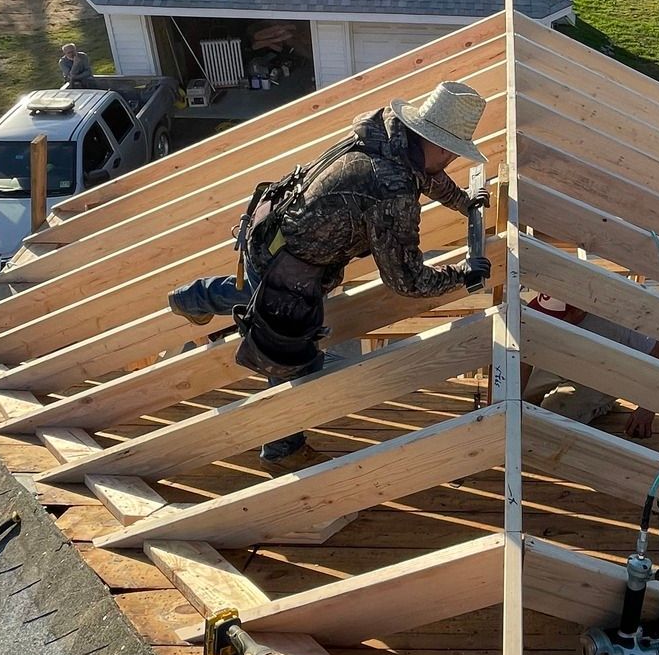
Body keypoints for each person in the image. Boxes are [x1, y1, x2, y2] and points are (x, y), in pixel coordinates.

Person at [167, 80, 492, 463]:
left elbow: (427, 176)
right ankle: (282, 450)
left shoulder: (387, 134)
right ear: (435, 143)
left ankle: (192, 297)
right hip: (290, 271)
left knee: (252, 294)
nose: (452, 160)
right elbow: (406, 280)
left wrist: (465, 201)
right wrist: (463, 275)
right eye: (451, 153)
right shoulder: (391, 192)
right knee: (291, 358)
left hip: (272, 230)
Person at [521, 296, 659, 440]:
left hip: (602, 374)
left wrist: (647, 408)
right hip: (563, 362)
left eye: (555, 318)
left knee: (553, 416)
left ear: (578, 311)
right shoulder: (543, 316)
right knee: (521, 394)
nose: (548, 323)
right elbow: (524, 355)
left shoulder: (614, 321)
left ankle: (602, 403)